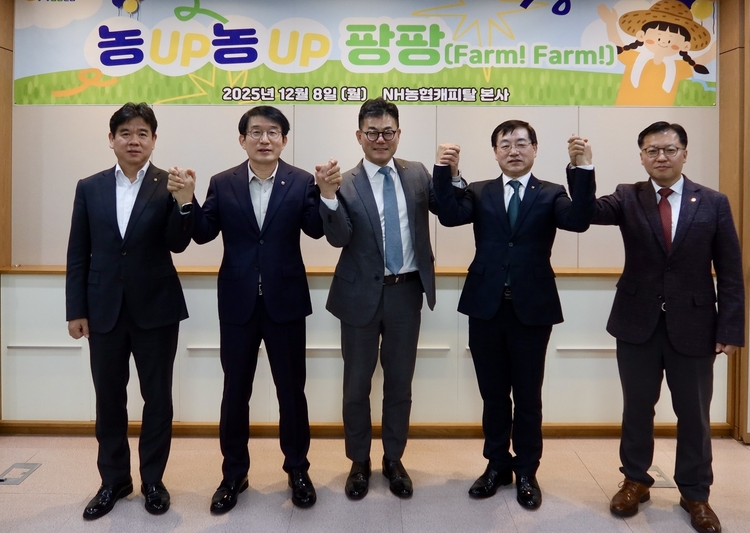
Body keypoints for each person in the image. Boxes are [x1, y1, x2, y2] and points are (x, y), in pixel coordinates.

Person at [570, 122, 744, 533]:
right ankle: (635, 480)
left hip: (696, 325)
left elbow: (731, 272)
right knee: (636, 408)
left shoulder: (713, 202)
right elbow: (584, 215)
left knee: (694, 414)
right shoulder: (628, 196)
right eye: (652, 150)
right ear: (642, 157)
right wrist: (583, 167)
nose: (660, 157)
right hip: (637, 323)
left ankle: (695, 493)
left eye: (669, 149)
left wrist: (731, 328)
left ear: (684, 153)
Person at [167, 106, 340, 514]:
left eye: (273, 132)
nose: (265, 139)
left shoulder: (302, 181)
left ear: (284, 139)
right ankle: (233, 474)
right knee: (235, 393)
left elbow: (317, 229)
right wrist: (186, 201)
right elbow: (204, 234)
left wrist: (327, 194)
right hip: (237, 302)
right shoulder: (222, 182)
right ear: (242, 139)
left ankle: (297, 470)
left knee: (291, 392)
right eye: (256, 132)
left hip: (286, 302)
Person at [432, 120, 596, 510]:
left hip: (532, 309)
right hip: (485, 307)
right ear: (495, 152)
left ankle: (526, 470)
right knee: (492, 395)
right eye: (505, 144)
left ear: (535, 149)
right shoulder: (480, 191)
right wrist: (443, 170)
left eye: (522, 143)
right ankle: (496, 465)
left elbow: (579, 220)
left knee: (527, 396)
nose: (513, 150)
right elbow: (449, 215)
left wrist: (583, 168)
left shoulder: (552, 193)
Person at [315, 98, 457, 500]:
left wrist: (452, 176)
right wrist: (327, 196)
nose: (381, 139)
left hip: (405, 293)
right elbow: (338, 237)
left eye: (388, 132)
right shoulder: (344, 181)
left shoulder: (418, 174)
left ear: (398, 134)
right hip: (358, 295)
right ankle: (359, 462)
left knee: (399, 384)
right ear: (359, 136)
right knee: (356, 386)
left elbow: (448, 212)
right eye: (372, 132)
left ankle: (394, 460)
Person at [66, 102, 193, 520]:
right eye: (125, 133)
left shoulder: (170, 183)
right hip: (103, 309)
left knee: (157, 399)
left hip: (156, 309)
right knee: (108, 399)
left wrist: (184, 203)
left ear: (154, 140)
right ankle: (114, 480)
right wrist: (76, 309)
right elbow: (78, 252)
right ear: (111, 139)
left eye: (142, 133)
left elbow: (178, 243)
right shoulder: (90, 186)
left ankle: (153, 480)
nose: (134, 140)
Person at [598, 0, 715, 106]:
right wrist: (610, 23)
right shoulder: (633, 57)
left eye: (670, 40)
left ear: (685, 46)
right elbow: (616, 42)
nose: (663, 42)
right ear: (641, 36)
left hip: (661, 117)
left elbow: (704, 58)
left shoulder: (678, 67)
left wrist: (716, 46)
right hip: (624, 110)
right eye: (658, 37)